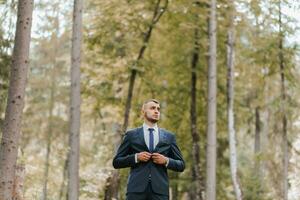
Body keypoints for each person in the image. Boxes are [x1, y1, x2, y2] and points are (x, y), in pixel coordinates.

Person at [113, 99, 185, 200]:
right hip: (136, 190)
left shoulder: (169, 136)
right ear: (143, 112)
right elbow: (116, 162)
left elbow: (181, 165)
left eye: (158, 109)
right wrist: (136, 157)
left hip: (160, 191)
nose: (156, 111)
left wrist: (166, 160)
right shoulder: (131, 135)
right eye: (152, 108)